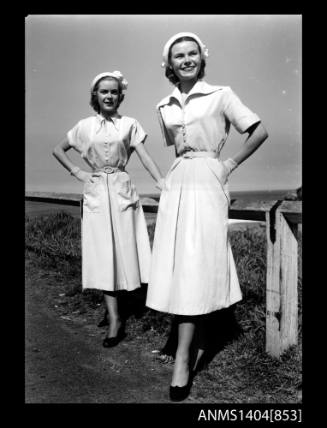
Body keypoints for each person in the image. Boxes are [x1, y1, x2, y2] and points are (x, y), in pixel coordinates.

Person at [145, 32, 268, 401]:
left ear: (202, 57)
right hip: (178, 183)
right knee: (180, 264)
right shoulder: (163, 105)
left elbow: (259, 131)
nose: (186, 59)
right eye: (178, 55)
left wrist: (227, 164)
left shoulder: (221, 95)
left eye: (192, 53)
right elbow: (177, 149)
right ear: (169, 64)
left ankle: (182, 358)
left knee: (198, 262)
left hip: (209, 179)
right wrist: (167, 181)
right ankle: (191, 343)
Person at [53, 71, 165, 348]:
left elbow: (145, 156)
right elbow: (58, 150)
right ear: (95, 96)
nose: (109, 96)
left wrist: (162, 182)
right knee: (104, 254)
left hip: (121, 188)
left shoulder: (129, 124)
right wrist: (78, 173)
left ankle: (119, 308)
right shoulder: (84, 126)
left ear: (120, 95)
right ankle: (116, 319)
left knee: (125, 250)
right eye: (104, 91)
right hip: (95, 193)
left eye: (114, 92)